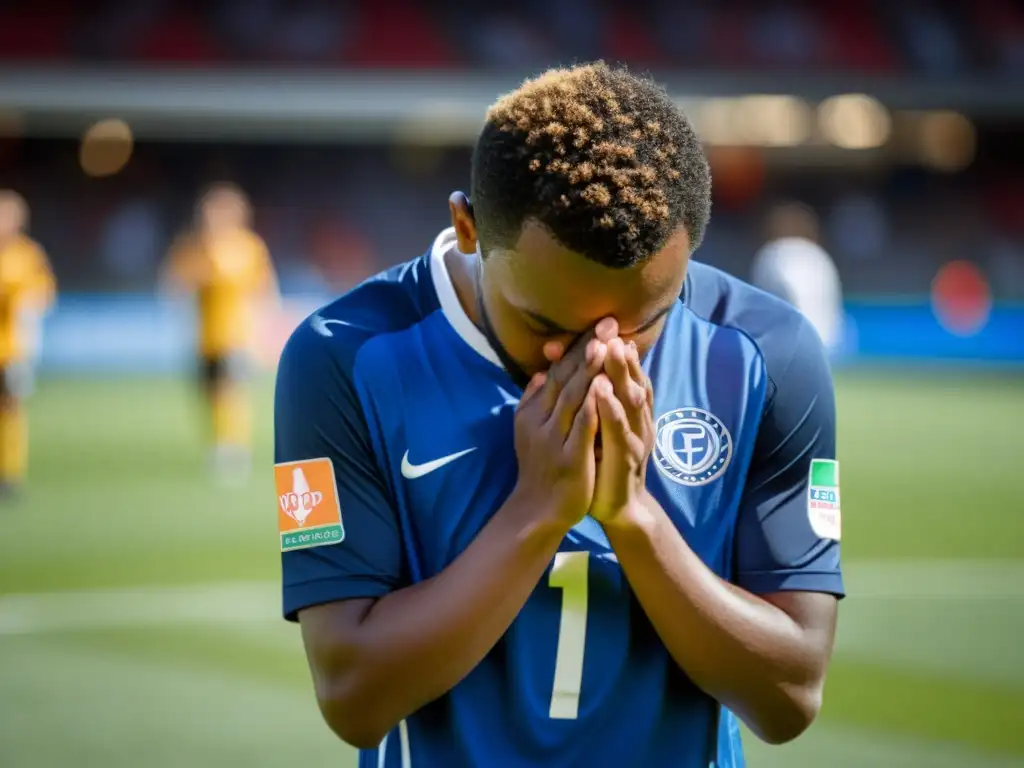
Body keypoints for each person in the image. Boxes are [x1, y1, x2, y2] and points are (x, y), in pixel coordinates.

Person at [275, 63, 843, 767]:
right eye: (544, 321)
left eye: (643, 325)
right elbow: (354, 699)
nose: (597, 356)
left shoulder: (766, 353)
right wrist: (536, 513)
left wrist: (633, 518)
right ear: (469, 226)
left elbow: (790, 697)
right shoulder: (343, 358)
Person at [161, 183, 278, 482]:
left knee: (231, 390)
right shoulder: (194, 246)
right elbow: (174, 285)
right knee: (208, 393)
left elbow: (264, 289)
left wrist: (265, 329)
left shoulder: (249, 247)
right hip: (205, 335)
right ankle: (218, 443)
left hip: (237, 334)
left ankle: (233, 449)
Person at [0, 190, 56, 497]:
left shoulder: (27, 255)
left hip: (10, 349)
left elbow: (43, 293)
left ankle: (10, 473)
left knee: (11, 408)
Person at [751, 202, 845, 351]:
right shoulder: (819, 254)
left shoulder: (775, 252)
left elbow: (786, 291)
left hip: (793, 344)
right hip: (831, 340)